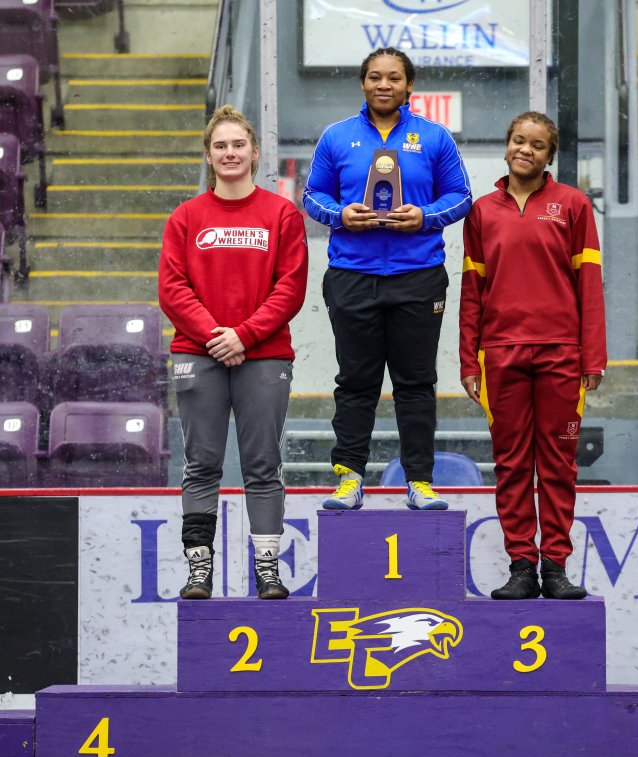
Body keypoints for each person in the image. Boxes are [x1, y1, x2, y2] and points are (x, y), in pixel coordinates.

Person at [303, 46, 472, 511]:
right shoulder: (336, 137)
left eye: (394, 78)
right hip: (352, 276)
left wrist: (424, 216)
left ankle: (419, 481)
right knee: (355, 382)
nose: (384, 85)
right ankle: (349, 478)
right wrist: (340, 215)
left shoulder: (434, 138)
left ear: (409, 86)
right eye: (375, 77)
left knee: (415, 383)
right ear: (362, 83)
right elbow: (311, 196)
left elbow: (461, 197)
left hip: (417, 276)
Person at [158, 105, 308, 600]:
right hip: (198, 353)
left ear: (254, 152)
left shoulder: (282, 213)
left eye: (237, 145)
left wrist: (243, 335)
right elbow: (172, 289)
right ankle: (199, 570)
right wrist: (214, 336)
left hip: (263, 355)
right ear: (208, 155)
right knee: (201, 464)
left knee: (262, 465)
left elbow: (290, 287)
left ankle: (268, 570)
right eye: (220, 146)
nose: (229, 153)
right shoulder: (186, 217)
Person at [459, 111, 606, 600]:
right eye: (519, 141)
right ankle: (521, 565)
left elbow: (589, 287)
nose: (526, 149)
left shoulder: (574, 205)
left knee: (558, 465)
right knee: (512, 464)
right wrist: (467, 360)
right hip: (500, 355)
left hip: (562, 355)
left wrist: (593, 357)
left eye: (537, 145)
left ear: (550, 155)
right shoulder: (481, 212)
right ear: (506, 146)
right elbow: (472, 292)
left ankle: (555, 568)